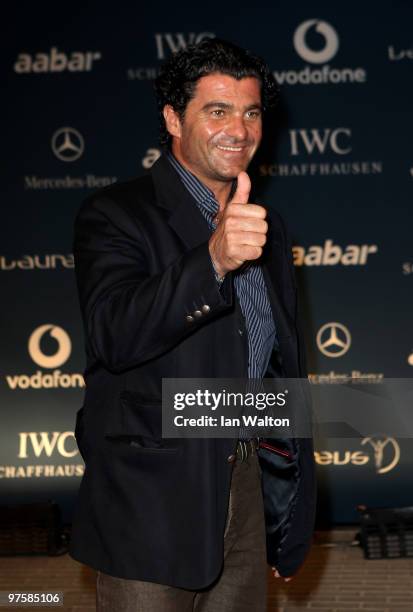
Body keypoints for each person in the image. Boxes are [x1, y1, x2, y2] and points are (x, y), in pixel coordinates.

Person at [70, 38, 316, 611]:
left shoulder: (266, 225)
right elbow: (113, 335)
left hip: (246, 484)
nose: (240, 128)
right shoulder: (115, 213)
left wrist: (287, 513)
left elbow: (277, 366)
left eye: (251, 111)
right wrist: (213, 260)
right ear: (173, 119)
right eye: (218, 110)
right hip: (151, 499)